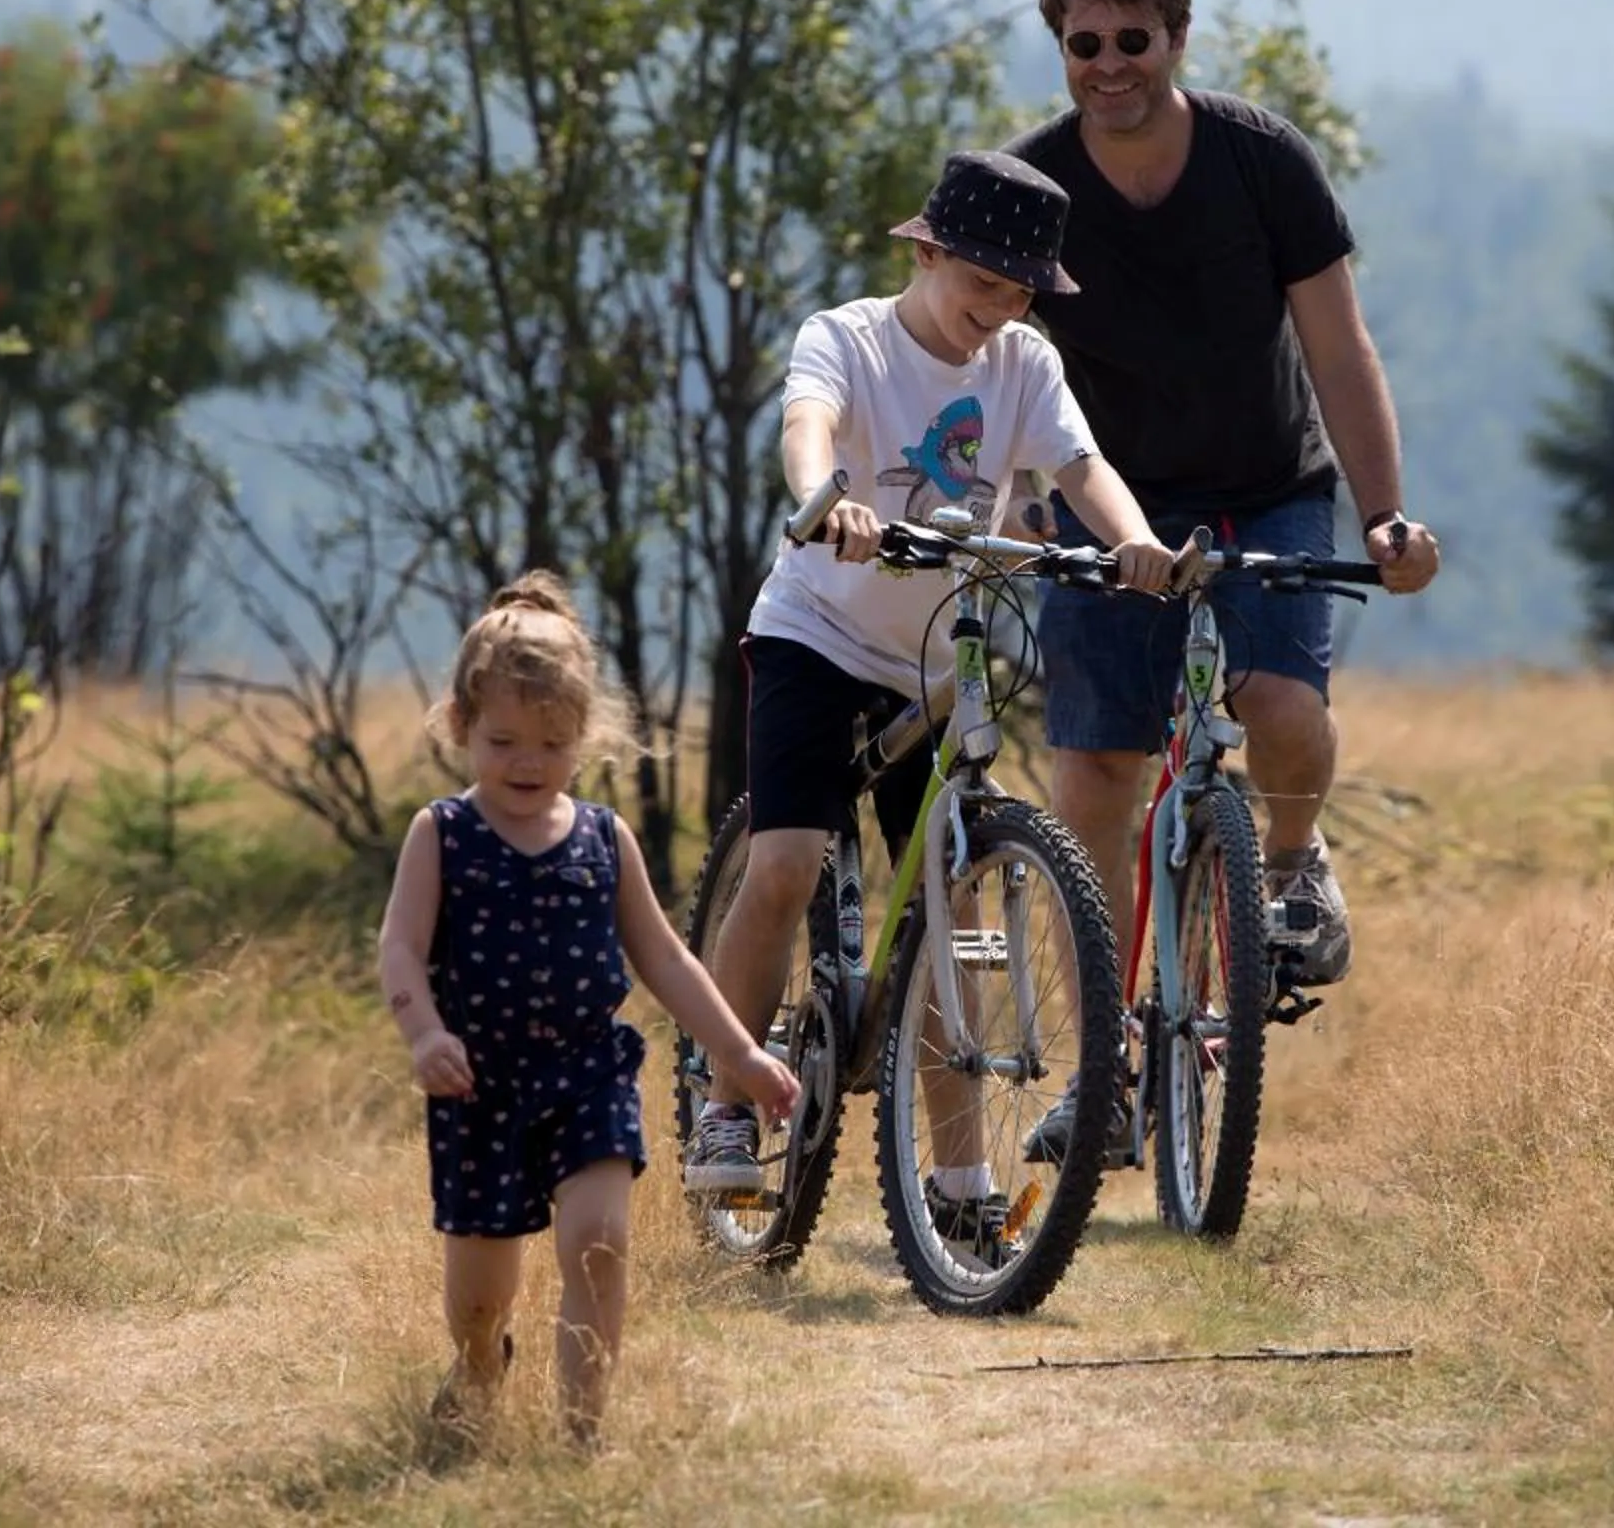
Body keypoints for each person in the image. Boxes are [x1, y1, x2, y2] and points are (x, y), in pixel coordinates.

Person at [1005, 0, 1442, 1165]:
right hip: (1110, 510)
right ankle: (1112, 1073)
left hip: (1268, 488)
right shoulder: (1036, 187)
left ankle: (1294, 865)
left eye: (1133, 38)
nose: (1109, 63)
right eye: (1084, 42)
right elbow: (992, 353)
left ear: (1177, 37)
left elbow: (1338, 348)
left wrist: (1384, 514)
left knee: (1280, 705)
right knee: (1094, 773)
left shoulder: (1263, 161)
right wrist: (1025, 494)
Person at [682, 149, 1177, 1240]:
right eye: (983, 285)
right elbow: (805, 425)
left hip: (937, 662)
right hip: (817, 632)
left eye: (1019, 294)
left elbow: (1080, 466)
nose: (997, 313)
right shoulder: (847, 337)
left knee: (954, 915)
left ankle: (958, 1189)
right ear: (927, 250)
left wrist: (1133, 540)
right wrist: (826, 498)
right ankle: (725, 1102)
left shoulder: (1023, 365)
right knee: (784, 863)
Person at [378, 574, 800, 1449]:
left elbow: (669, 962)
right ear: (459, 726)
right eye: (503, 741)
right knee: (480, 1298)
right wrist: (424, 1032)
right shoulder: (441, 835)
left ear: (586, 737)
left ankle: (581, 1436)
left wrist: (742, 1058)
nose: (528, 762)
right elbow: (399, 952)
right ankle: (480, 1363)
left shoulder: (605, 839)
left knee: (601, 1245)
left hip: (585, 1076)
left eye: (553, 742)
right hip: (479, 1090)